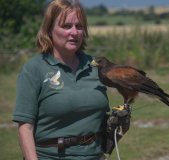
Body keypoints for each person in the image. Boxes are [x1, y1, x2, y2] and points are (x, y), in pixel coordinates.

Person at [12, 0, 130, 159]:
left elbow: (91, 114)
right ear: (49, 30)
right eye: (66, 26)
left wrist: (114, 123)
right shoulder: (34, 68)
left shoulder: (95, 66)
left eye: (79, 26)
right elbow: (25, 129)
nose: (74, 32)